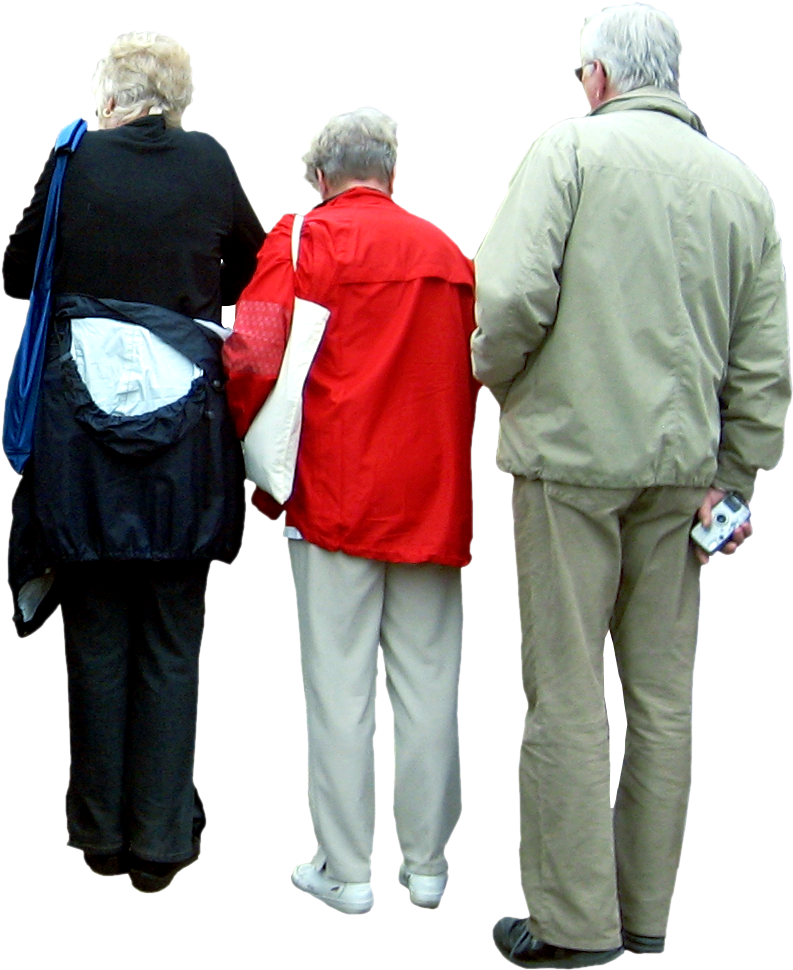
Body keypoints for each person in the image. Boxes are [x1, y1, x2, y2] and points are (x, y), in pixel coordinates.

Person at [472, 4, 790, 967]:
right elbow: (763, 365)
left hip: (568, 465)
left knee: (565, 693)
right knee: (661, 699)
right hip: (684, 477)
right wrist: (730, 482)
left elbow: (507, 299)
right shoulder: (743, 187)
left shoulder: (566, 153)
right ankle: (645, 915)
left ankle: (573, 927)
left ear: (598, 76)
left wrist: (504, 382)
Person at [3, 31, 264, 893]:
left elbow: (20, 259)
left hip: (82, 437)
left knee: (98, 640)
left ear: (109, 98)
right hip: (185, 441)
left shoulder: (74, 162)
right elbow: (254, 255)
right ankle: (161, 843)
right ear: (177, 98)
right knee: (176, 642)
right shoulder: (211, 159)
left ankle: (94, 835)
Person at [222, 106, 479, 914]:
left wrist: (245, 447)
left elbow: (253, 352)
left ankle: (347, 870)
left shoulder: (302, 241)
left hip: (332, 495)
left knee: (338, 689)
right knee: (431, 686)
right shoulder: (451, 254)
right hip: (434, 500)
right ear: (394, 176)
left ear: (322, 177)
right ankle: (428, 864)